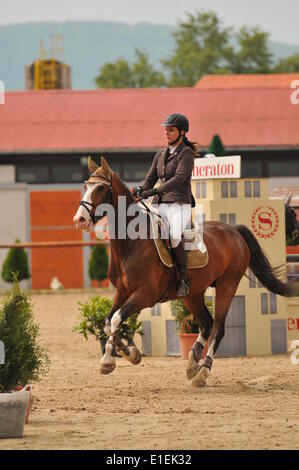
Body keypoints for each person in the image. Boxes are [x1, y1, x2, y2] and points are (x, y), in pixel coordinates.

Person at [133, 113, 199, 297]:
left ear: (182, 132)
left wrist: (156, 191)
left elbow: (179, 179)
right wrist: (140, 189)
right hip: (160, 203)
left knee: (175, 235)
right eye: (165, 130)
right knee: (144, 231)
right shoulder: (160, 154)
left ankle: (183, 279)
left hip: (179, 202)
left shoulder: (186, 154)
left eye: (170, 130)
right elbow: (149, 179)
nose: (166, 133)